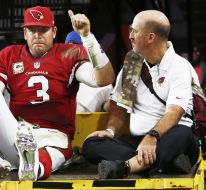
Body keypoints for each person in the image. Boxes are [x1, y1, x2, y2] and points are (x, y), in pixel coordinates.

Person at [0, 6, 115, 180]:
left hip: (53, 137)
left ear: (54, 31)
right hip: (18, 134)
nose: (37, 35)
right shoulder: (9, 55)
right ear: (25, 32)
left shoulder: (68, 53)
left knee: (40, 162)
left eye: (43, 30)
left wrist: (87, 36)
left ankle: (32, 167)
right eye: (32, 30)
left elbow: (104, 79)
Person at [82, 10, 199, 179]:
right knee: (91, 145)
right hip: (139, 141)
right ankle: (163, 162)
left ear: (151, 37)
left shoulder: (179, 66)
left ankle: (126, 167)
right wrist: (111, 130)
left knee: (183, 134)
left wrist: (152, 137)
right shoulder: (133, 63)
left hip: (171, 138)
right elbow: (120, 104)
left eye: (134, 31)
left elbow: (174, 113)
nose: (130, 35)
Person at [65, 31, 113, 112]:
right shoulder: (57, 73)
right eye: (69, 48)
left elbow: (109, 108)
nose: (72, 52)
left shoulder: (103, 81)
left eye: (76, 48)